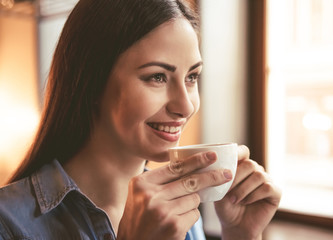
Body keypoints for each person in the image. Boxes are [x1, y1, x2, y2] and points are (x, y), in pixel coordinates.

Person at [0, 0, 281, 239]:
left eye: (192, 77)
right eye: (157, 77)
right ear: (93, 82)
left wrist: (239, 235)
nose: (185, 106)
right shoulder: (8, 223)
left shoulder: (183, 212)